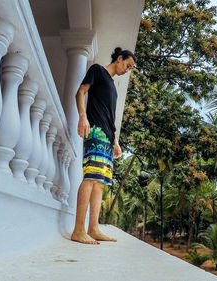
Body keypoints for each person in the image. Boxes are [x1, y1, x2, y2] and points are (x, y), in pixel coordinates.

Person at [70, 47, 135, 244]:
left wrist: (115, 141)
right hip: (95, 131)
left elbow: (110, 116)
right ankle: (78, 230)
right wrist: (83, 117)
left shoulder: (113, 87)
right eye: (127, 65)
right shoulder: (97, 70)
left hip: (107, 137)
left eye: (130, 68)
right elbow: (80, 93)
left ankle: (93, 228)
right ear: (119, 59)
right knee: (90, 177)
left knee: (100, 183)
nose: (127, 70)